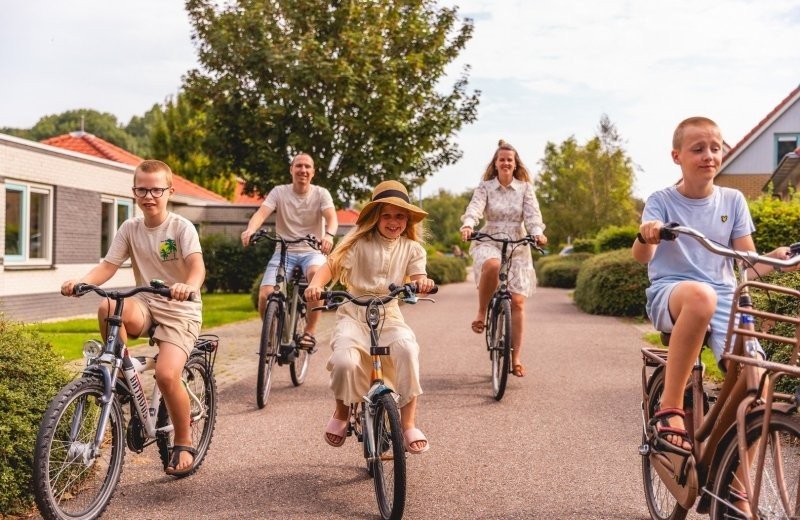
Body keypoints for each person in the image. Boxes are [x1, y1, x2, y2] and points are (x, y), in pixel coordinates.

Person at [632, 116, 795, 496]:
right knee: (701, 296)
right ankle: (669, 408)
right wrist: (646, 234)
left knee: (758, 384)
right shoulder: (661, 200)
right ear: (677, 156)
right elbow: (643, 256)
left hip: (725, 295)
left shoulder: (733, 200)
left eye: (715, 147)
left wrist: (778, 257)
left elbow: (748, 265)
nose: (709, 155)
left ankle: (735, 494)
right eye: (698, 148)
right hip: (672, 291)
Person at [61, 159, 205, 476]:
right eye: (143, 189)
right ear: (134, 192)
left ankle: (183, 440)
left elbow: (197, 267)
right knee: (107, 307)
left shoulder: (181, 228)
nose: (149, 196)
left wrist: (188, 286)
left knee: (167, 375)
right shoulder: (130, 228)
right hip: (146, 304)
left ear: (169, 191)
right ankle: (125, 374)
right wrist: (82, 282)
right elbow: (108, 267)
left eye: (156, 189)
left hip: (180, 310)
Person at [304, 180, 435, 454]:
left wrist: (422, 283)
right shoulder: (358, 243)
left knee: (408, 350)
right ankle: (341, 413)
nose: (393, 221)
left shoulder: (412, 248)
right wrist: (316, 285)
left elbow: (419, 275)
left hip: (390, 314)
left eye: (400, 216)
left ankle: (408, 423)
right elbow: (331, 265)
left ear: (407, 219)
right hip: (354, 312)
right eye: (386, 215)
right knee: (344, 361)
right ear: (376, 217)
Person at [459, 140, 547, 378]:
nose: (506, 163)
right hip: (489, 238)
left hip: (517, 243)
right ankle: (481, 313)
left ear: (515, 163)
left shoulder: (526, 188)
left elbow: (532, 215)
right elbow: (475, 208)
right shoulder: (485, 187)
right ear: (495, 164)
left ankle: (515, 357)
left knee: (517, 302)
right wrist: (468, 225)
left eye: (510, 159)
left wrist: (537, 233)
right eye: (502, 159)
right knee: (493, 265)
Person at [241, 153, 338, 350]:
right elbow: (260, 213)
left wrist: (328, 235)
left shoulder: (321, 193)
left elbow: (332, 218)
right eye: (299, 166)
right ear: (291, 170)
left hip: (312, 251)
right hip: (284, 251)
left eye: (307, 167)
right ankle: (271, 333)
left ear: (313, 172)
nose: (303, 170)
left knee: (314, 279)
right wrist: (250, 229)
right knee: (265, 295)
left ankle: (309, 332)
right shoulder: (279, 192)